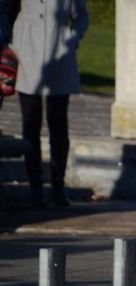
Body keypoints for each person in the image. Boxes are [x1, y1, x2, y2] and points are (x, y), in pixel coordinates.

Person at [0, 0, 88, 209]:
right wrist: (10, 41)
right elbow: (8, 9)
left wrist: (72, 38)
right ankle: (36, 189)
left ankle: (58, 187)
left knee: (58, 125)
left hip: (59, 51)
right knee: (30, 123)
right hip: (26, 49)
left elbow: (81, 16)